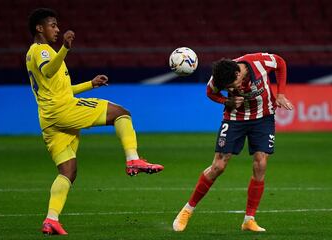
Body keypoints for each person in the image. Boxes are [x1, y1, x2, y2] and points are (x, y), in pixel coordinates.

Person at [26, 8, 164, 235]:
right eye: (53, 25)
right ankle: (133, 160)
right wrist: (64, 49)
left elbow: (62, 88)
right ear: (39, 28)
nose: (57, 29)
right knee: (121, 113)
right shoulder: (42, 51)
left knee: (67, 171)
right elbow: (49, 72)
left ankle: (51, 219)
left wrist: (90, 84)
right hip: (62, 110)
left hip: (49, 118)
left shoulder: (34, 53)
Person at [172, 53, 294, 232]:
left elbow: (281, 62)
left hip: (263, 117)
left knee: (261, 163)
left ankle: (249, 219)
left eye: (231, 86)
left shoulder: (259, 62)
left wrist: (281, 93)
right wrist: (226, 101)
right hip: (235, 118)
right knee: (218, 166)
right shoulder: (220, 77)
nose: (231, 89)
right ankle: (187, 210)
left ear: (238, 74)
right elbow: (210, 92)